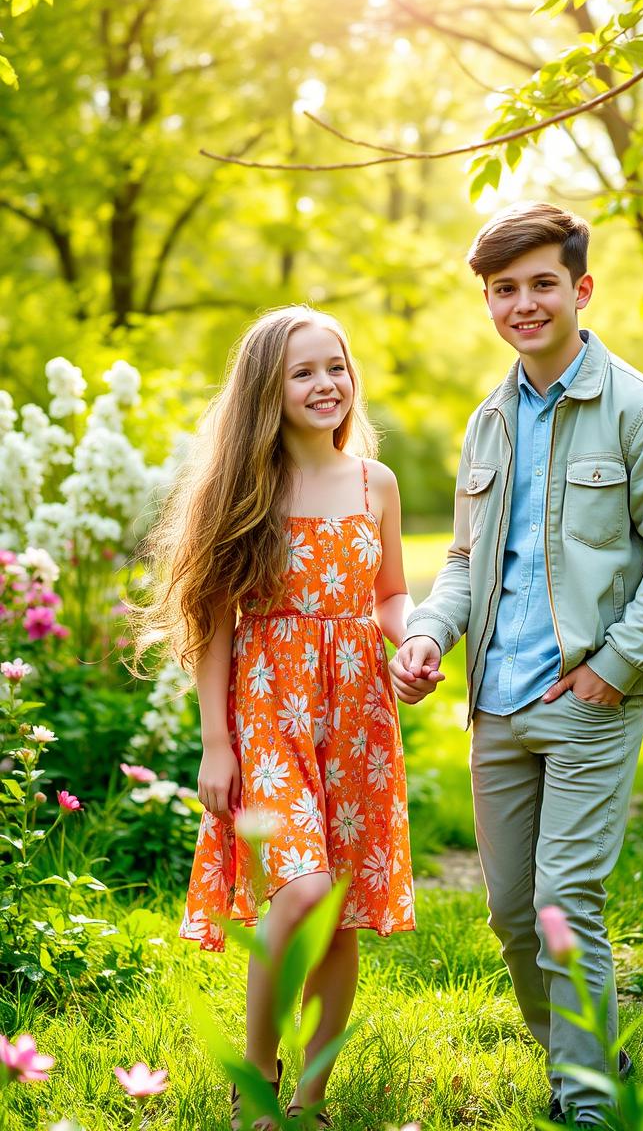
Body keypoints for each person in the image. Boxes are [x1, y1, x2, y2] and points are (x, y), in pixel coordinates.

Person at [389, 202, 643, 1128]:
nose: (523, 304)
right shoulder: (487, 422)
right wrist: (427, 634)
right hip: (495, 702)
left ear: (581, 288)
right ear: (488, 301)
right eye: (504, 290)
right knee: (510, 915)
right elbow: (464, 559)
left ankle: (587, 1100)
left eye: (542, 284)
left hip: (587, 698)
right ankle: (583, 1051)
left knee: (565, 902)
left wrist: (615, 667)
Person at [136, 307, 415, 1130]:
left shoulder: (376, 483)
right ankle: (257, 1072)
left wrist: (411, 642)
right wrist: (215, 745)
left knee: (339, 915)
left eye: (336, 367)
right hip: (269, 714)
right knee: (302, 893)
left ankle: (310, 1101)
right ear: (268, 388)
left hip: (360, 714)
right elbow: (214, 623)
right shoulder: (245, 491)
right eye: (304, 372)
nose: (326, 384)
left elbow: (391, 592)